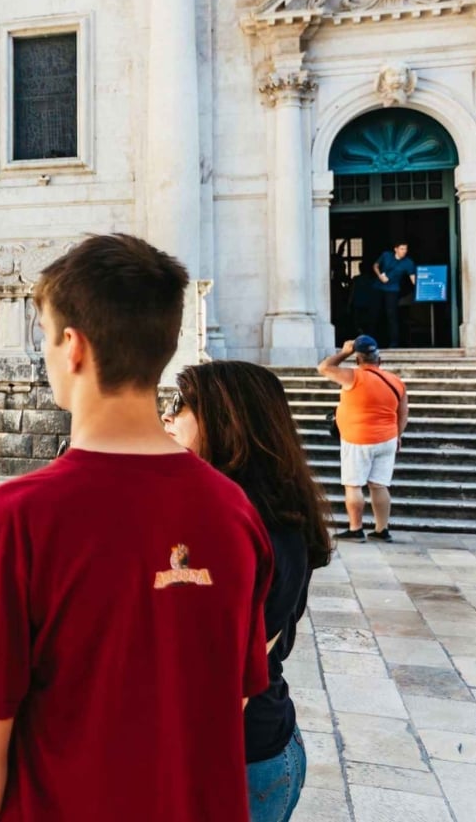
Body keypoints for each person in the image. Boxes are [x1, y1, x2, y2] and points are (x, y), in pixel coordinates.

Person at [0, 234, 273, 822]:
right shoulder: (234, 512)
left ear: (74, 347)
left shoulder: (17, 519)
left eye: (46, 339)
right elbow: (227, 702)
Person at [164, 361, 334, 822]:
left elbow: (227, 677)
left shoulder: (245, 528)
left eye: (178, 406)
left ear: (225, 420)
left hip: (233, 761)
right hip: (261, 743)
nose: (166, 418)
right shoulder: (266, 514)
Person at [319, 335, 406, 542]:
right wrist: (398, 436)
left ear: (358, 360)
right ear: (379, 360)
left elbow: (323, 367)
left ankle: (355, 528)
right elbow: (402, 414)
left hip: (357, 438)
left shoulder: (353, 377)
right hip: (387, 439)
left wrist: (345, 352)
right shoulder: (396, 382)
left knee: (353, 484)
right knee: (379, 485)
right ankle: (381, 529)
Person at [372, 242, 415, 348]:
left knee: (392, 316)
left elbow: (413, 278)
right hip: (378, 288)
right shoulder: (386, 255)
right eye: (402, 249)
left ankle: (393, 343)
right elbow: (375, 265)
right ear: (395, 249)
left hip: (393, 290)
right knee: (375, 314)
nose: (404, 251)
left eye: (405, 249)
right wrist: (379, 276)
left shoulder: (408, 262)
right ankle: (373, 341)